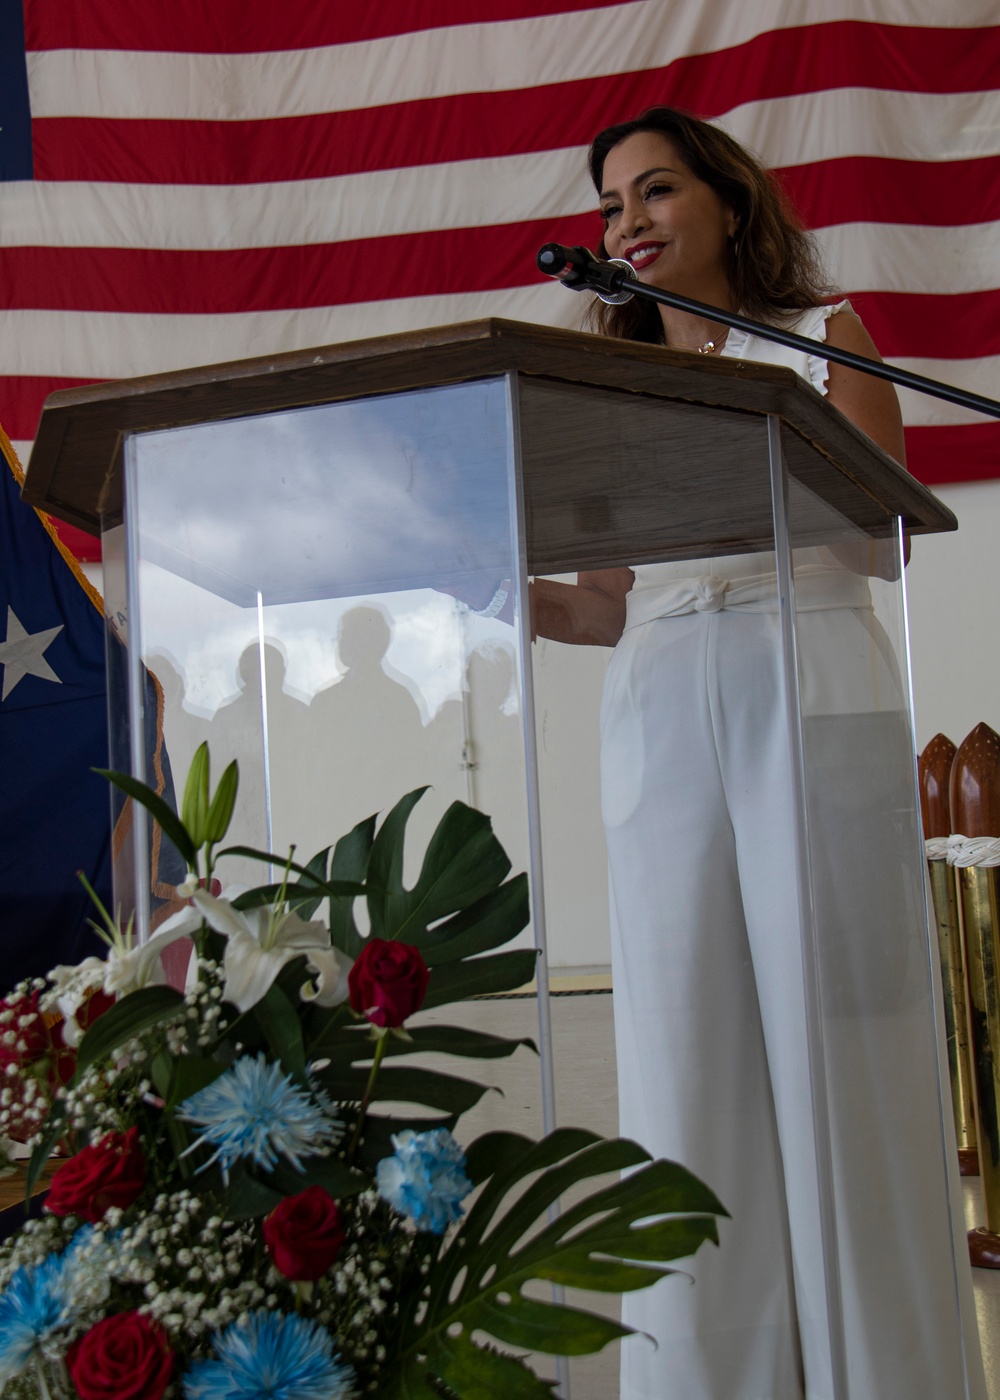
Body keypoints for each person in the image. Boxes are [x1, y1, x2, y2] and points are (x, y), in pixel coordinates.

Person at [532, 108, 985, 1400]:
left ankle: (882, 1375)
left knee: (838, 1040)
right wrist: (494, 586)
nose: (629, 223)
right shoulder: (602, 382)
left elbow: (872, 536)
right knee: (688, 1049)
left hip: (806, 664)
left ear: (731, 203)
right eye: (614, 205)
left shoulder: (824, 333)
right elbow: (605, 600)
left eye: (657, 190)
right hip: (664, 690)